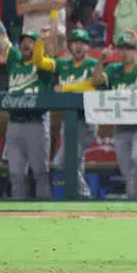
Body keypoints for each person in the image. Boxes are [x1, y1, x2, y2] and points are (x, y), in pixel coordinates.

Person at [0, 0, 53, 200]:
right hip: (14, 122)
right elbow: (0, 35)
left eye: (30, 41)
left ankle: (45, 212)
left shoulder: (43, 64)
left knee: (41, 173)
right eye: (23, 41)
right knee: (16, 174)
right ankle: (18, 211)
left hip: (36, 122)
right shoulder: (14, 59)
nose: (26, 45)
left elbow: (51, 51)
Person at [91, 29, 137, 200]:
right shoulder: (114, 69)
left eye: (128, 48)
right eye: (121, 48)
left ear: (135, 50)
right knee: (127, 170)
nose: (124, 52)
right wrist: (101, 60)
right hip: (122, 126)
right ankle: (136, 200)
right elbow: (96, 81)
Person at [47, 25, 99, 200]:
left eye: (82, 43)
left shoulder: (93, 64)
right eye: (75, 42)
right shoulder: (64, 64)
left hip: (87, 121)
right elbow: (41, 62)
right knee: (76, 162)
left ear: (88, 47)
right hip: (67, 121)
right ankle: (77, 199)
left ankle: (84, 194)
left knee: (61, 162)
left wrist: (66, 88)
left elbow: (91, 85)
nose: (78, 46)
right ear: (69, 46)